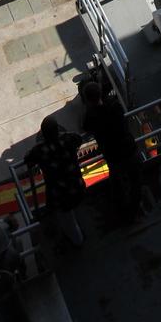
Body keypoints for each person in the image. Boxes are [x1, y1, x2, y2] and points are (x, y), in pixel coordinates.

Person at [81, 81, 141, 222]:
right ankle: (134, 210)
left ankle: (122, 213)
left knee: (117, 185)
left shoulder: (91, 116)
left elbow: (85, 126)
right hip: (129, 149)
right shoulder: (114, 106)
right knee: (135, 181)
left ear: (87, 100)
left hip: (114, 157)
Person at [24, 117, 86, 247]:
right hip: (77, 186)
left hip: (59, 196)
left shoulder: (40, 151)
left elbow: (28, 159)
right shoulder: (69, 139)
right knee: (70, 210)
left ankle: (77, 241)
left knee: (67, 220)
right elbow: (79, 139)